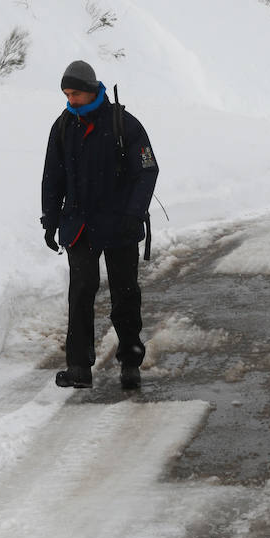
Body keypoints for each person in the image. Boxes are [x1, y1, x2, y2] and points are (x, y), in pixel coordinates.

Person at [41, 60, 159, 390]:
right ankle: (79, 367)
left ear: (92, 90)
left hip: (120, 226)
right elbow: (53, 178)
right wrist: (50, 221)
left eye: (75, 93)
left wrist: (133, 215)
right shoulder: (63, 126)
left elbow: (147, 171)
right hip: (79, 226)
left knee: (125, 294)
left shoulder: (124, 124)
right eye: (66, 94)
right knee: (80, 294)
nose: (71, 100)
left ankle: (130, 362)